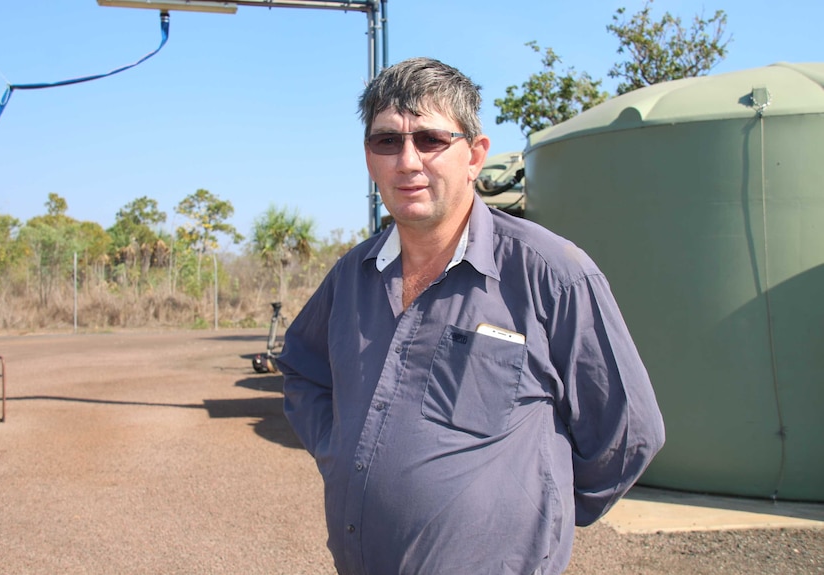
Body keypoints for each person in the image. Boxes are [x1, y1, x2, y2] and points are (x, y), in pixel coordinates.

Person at [277, 57, 665, 575]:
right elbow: (303, 370)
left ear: (474, 156)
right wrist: (337, 447)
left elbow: (628, 433)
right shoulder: (353, 274)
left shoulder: (550, 273)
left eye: (431, 140)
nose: (407, 161)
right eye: (386, 141)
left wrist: (539, 510)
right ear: (369, 158)